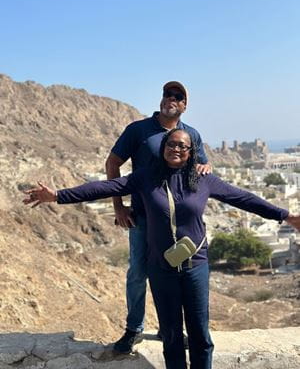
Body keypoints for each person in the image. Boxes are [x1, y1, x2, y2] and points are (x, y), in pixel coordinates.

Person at [23, 129, 300, 369]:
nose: (176, 149)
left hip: (196, 267)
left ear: (191, 152)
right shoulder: (145, 178)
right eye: (171, 144)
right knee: (171, 336)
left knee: (200, 336)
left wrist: (284, 215)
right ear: (163, 148)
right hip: (162, 268)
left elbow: (244, 198)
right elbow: (103, 188)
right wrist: (58, 196)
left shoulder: (204, 180)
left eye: (183, 146)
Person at [105, 81, 211, 353]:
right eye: (167, 94)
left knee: (175, 274)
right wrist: (119, 206)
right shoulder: (138, 131)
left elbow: (201, 168)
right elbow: (113, 163)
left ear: (185, 106)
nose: (171, 99)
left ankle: (170, 329)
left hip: (177, 226)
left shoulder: (191, 135)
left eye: (178, 96)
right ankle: (134, 329)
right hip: (142, 218)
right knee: (138, 272)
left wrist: (206, 166)